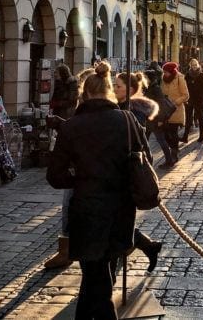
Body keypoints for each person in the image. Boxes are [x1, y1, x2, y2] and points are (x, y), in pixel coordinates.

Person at [47, 62, 144, 319]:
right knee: (100, 275)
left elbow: (55, 176)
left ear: (84, 93)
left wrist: (81, 178)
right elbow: (145, 162)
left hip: (86, 210)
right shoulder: (127, 119)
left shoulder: (71, 127)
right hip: (120, 211)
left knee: (96, 276)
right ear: (110, 90)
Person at [114, 72, 164, 272]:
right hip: (123, 170)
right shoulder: (123, 109)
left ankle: (145, 247)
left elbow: (134, 145)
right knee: (118, 221)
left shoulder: (131, 112)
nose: (114, 89)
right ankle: (148, 246)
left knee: (117, 221)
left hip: (128, 172)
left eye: (118, 86)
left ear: (131, 90)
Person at [44, 64, 80, 269]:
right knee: (69, 206)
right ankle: (66, 250)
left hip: (83, 175)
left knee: (70, 206)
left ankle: (67, 251)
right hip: (80, 173)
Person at [143, 67, 176, 167]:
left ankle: (169, 160)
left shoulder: (156, 89)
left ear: (149, 78)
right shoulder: (149, 88)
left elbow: (161, 105)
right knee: (144, 140)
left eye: (145, 77)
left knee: (160, 140)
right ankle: (146, 161)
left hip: (155, 119)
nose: (144, 79)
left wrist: (161, 119)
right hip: (149, 119)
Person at [161, 62, 189, 162]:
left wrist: (175, 102)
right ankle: (174, 149)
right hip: (165, 110)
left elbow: (186, 95)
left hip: (176, 110)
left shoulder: (179, 78)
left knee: (173, 133)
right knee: (165, 134)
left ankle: (174, 153)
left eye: (166, 72)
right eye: (163, 72)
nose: (165, 73)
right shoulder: (163, 78)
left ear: (171, 71)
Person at [182, 59, 203, 144]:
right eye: (192, 65)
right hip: (189, 99)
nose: (194, 66)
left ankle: (201, 135)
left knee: (200, 117)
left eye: (195, 65)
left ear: (198, 65)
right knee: (188, 118)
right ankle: (185, 136)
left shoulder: (201, 75)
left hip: (199, 99)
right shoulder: (187, 75)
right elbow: (184, 87)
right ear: (190, 65)